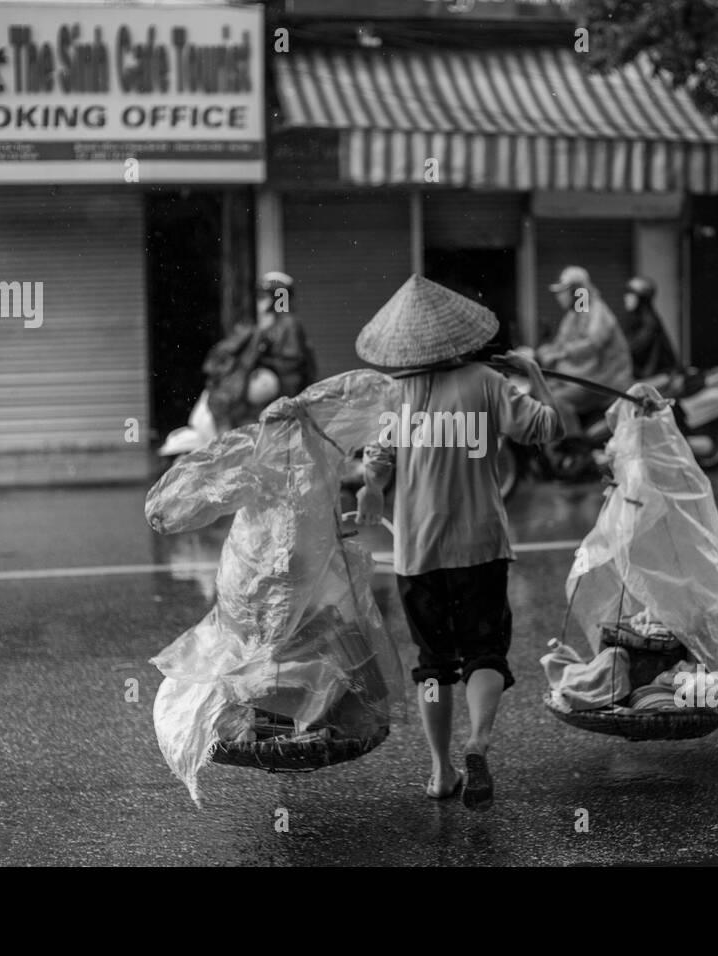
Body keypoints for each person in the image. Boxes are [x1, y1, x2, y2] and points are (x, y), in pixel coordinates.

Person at [355, 275, 565, 811]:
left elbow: (376, 462)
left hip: (417, 553)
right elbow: (548, 428)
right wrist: (535, 377)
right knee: (484, 651)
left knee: (433, 663)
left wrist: (373, 488)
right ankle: (478, 742)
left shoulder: (397, 394)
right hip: (481, 546)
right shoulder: (488, 382)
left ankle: (440, 770)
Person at [202, 271, 315, 429]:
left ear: (278, 297)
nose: (258, 302)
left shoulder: (288, 325)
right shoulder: (270, 325)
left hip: (279, 406)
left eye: (263, 297)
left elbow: (291, 370)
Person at [537, 266, 632, 436]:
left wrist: (563, 353)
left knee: (557, 399)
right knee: (541, 392)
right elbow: (562, 339)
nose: (559, 296)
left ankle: (574, 449)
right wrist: (544, 351)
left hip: (606, 379)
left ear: (576, 290)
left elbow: (593, 342)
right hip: (585, 376)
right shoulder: (577, 311)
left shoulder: (597, 311)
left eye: (563, 291)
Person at [622, 276, 681, 380]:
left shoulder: (649, 323)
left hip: (657, 379)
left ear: (642, 299)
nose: (626, 297)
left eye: (631, 294)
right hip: (644, 376)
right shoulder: (635, 320)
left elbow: (631, 349)